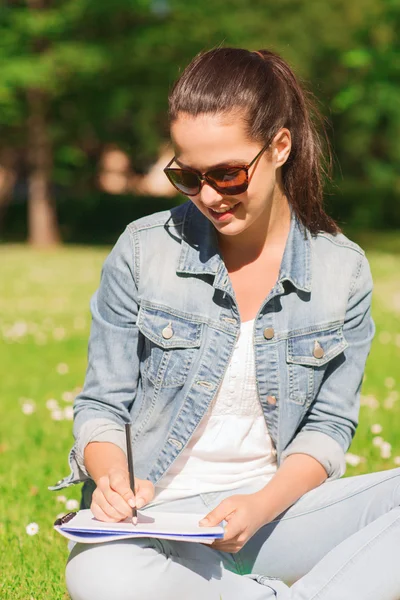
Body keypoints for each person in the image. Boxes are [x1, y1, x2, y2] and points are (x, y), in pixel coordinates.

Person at [50, 47, 400, 600]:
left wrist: (259, 506)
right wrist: (111, 475)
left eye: (228, 174)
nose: (209, 195)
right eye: (188, 176)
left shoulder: (343, 270)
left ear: (279, 146)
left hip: (269, 519)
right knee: (96, 576)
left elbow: (329, 428)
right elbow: (101, 405)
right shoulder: (143, 251)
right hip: (151, 523)